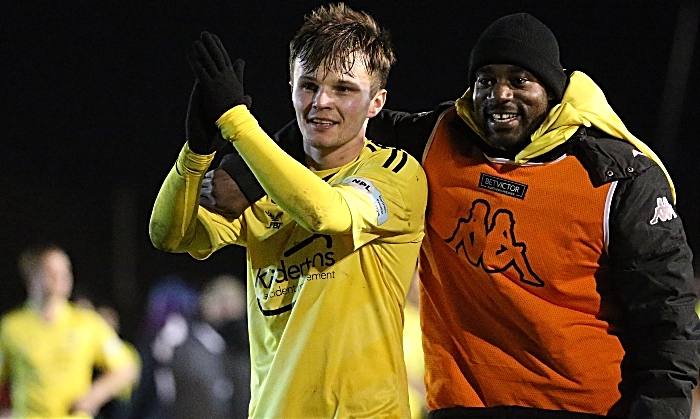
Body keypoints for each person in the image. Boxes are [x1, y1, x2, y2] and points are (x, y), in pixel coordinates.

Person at [206, 12, 700, 419]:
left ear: (552, 89)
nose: (500, 94)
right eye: (486, 80)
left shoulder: (617, 177)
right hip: (461, 407)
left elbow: (668, 314)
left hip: (580, 410)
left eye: (519, 80)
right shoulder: (439, 139)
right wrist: (243, 173)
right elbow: (334, 122)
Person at [149, 3, 427, 418]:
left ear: (376, 102)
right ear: (291, 87)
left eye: (344, 89)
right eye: (309, 85)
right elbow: (169, 234)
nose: (322, 102)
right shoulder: (263, 185)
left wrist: (237, 123)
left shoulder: (396, 172)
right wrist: (196, 153)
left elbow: (326, 214)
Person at [0, 244, 139, 418]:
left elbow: (126, 368)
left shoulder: (87, 323)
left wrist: (93, 396)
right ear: (32, 276)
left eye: (65, 270)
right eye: (51, 271)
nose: (61, 277)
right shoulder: (11, 327)